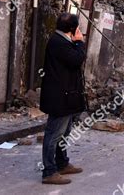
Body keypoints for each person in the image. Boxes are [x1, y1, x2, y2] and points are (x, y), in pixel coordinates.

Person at [40, 13, 86, 185]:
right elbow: (77, 60)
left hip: (67, 97)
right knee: (53, 135)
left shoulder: (64, 42)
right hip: (59, 98)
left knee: (64, 134)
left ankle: (62, 163)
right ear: (73, 29)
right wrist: (80, 42)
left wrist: (75, 42)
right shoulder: (59, 43)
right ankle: (49, 172)